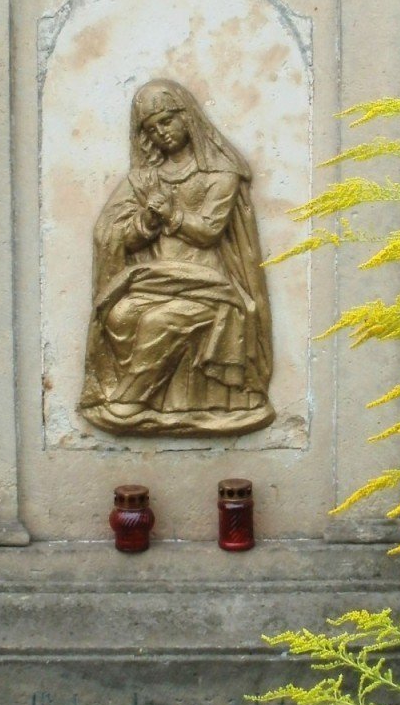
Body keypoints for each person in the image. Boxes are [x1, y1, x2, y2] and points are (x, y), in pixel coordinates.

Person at [78, 78, 274, 436]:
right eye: (152, 130)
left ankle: (128, 402)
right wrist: (145, 221)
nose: (161, 134)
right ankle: (149, 402)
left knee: (159, 321)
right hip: (154, 279)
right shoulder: (144, 179)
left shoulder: (220, 173)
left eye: (167, 121)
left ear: (187, 116)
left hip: (209, 286)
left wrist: (170, 213)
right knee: (120, 315)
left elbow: (210, 231)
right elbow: (111, 232)